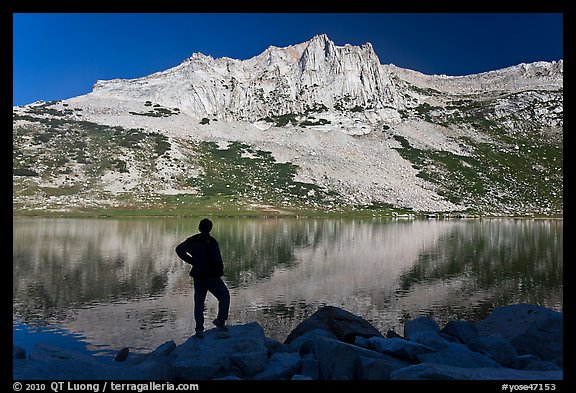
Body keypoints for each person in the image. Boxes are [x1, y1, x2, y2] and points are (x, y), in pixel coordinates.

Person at [175, 218, 230, 338]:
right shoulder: (211, 242)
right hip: (210, 275)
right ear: (210, 228)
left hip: (198, 275)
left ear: (199, 228)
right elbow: (217, 260)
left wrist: (191, 261)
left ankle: (199, 329)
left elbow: (179, 250)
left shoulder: (193, 240)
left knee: (199, 302)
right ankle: (220, 321)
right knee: (224, 296)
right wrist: (219, 272)